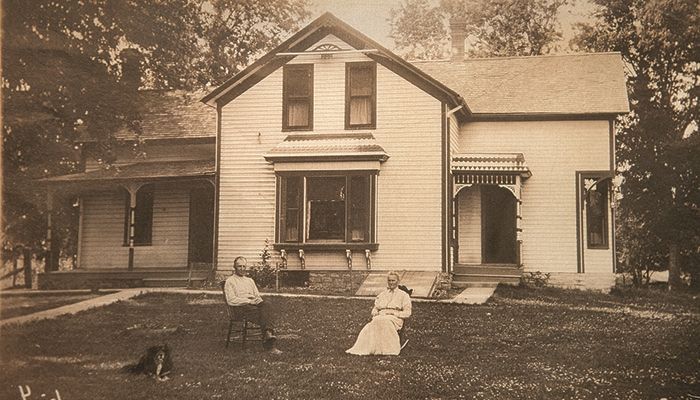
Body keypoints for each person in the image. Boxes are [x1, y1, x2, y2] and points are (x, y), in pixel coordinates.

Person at [224, 256, 282, 354]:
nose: (242, 269)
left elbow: (257, 295)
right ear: (234, 267)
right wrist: (248, 301)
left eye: (244, 266)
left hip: (252, 306)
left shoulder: (250, 281)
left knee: (267, 305)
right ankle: (269, 341)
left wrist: (257, 301)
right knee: (265, 315)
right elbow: (231, 300)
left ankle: (268, 333)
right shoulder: (230, 281)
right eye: (239, 266)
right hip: (239, 308)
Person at [346, 271, 412, 356]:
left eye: (393, 280)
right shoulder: (382, 294)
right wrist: (375, 313)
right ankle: (371, 347)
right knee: (372, 324)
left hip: (395, 318)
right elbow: (375, 308)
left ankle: (388, 349)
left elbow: (408, 313)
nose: (391, 283)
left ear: (398, 281)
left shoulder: (403, 295)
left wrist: (394, 313)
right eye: (389, 280)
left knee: (384, 321)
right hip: (381, 316)